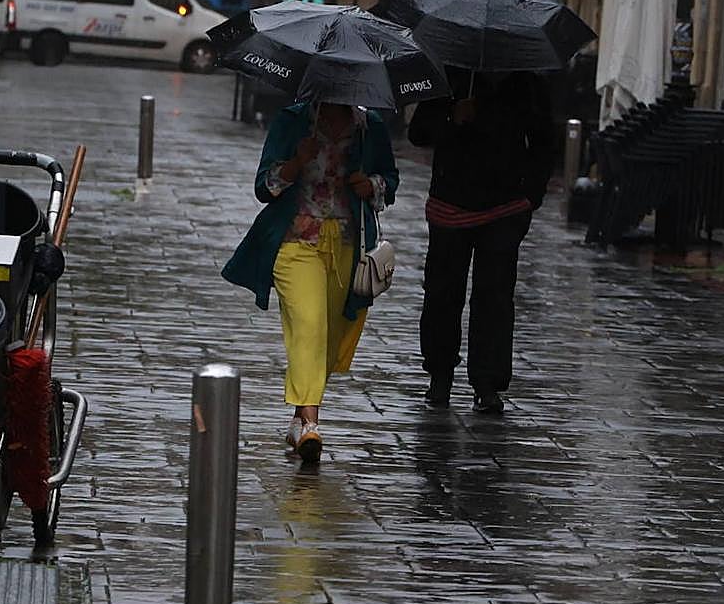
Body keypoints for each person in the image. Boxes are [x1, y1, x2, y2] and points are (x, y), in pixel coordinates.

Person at [223, 100, 399, 463]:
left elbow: (389, 180)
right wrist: (296, 163)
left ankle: (297, 419)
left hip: (347, 245)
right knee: (309, 327)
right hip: (295, 243)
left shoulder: (369, 126)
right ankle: (311, 427)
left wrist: (371, 185)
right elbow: (264, 187)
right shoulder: (293, 119)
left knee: (331, 338)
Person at [408, 71, 553, 413]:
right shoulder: (450, 75)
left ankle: (487, 383)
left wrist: (532, 194)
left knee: (495, 296)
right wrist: (453, 117)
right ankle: (440, 373)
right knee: (443, 291)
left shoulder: (527, 81)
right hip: (450, 202)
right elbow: (419, 133)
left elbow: (545, 141)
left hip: (505, 205)